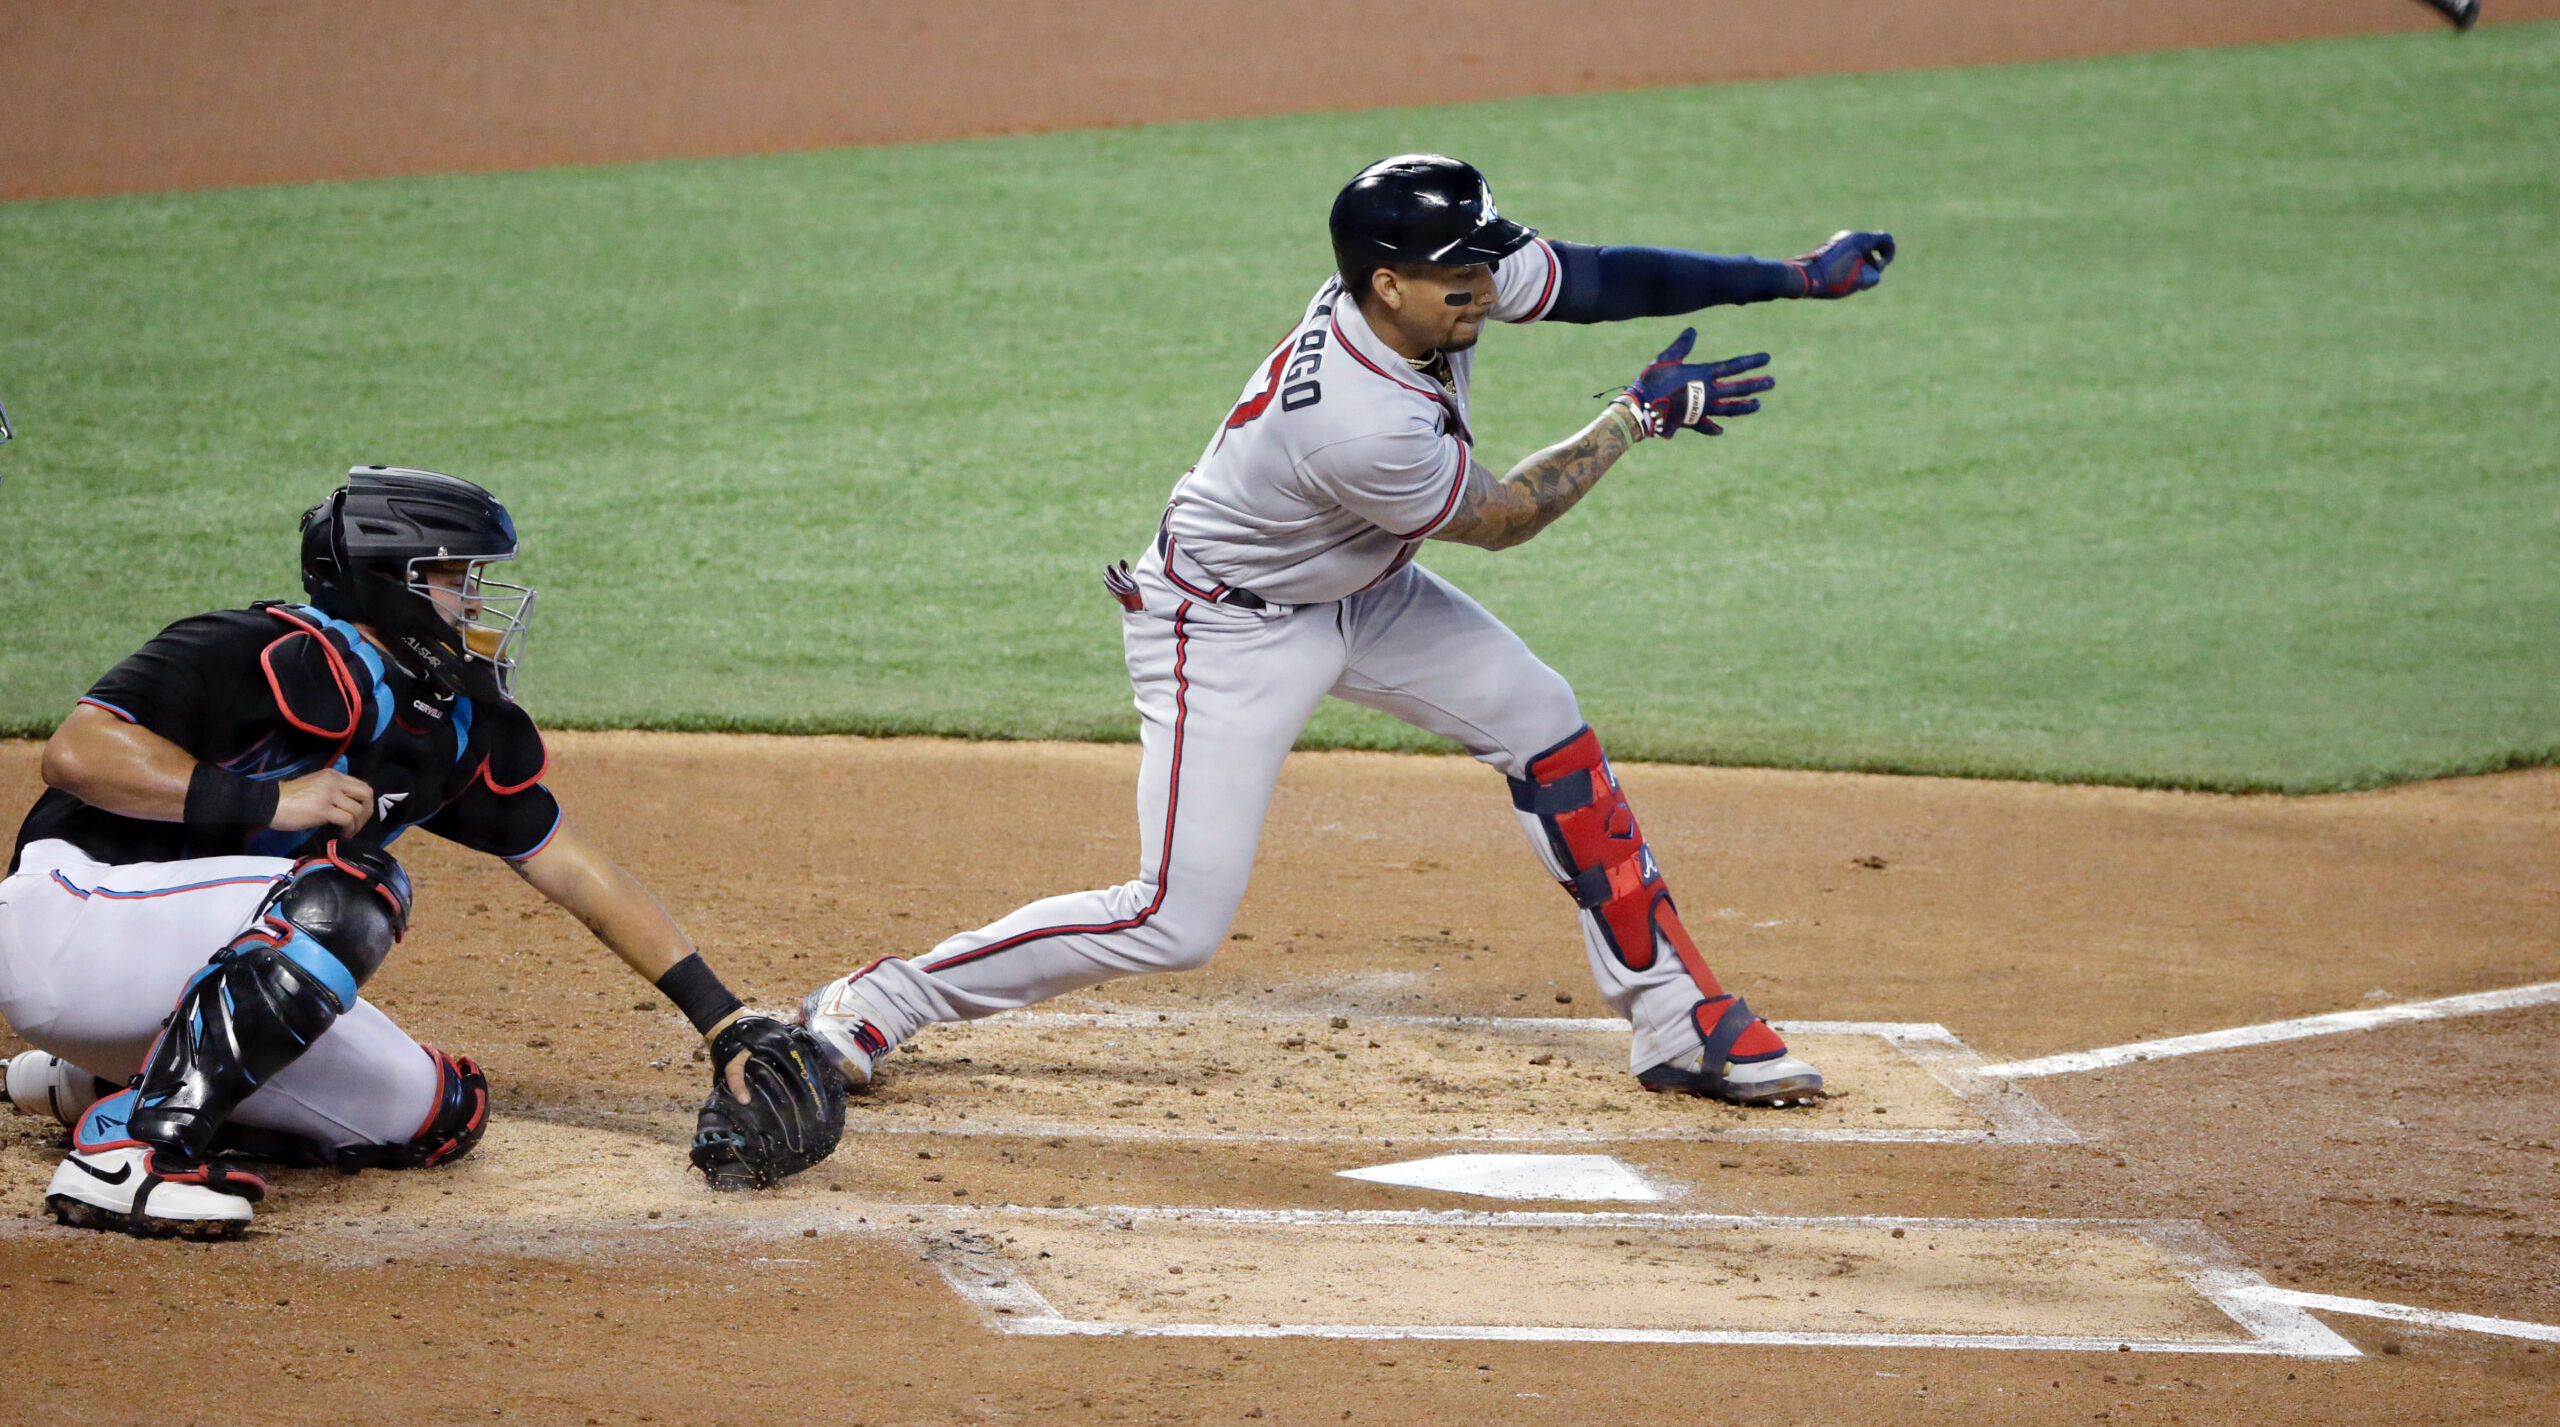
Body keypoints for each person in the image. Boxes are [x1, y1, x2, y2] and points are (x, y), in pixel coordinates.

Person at [802, 155, 1894, 1108]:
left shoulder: (1425, 281)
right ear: (1388, 282)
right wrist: (1636, 415)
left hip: (1363, 591)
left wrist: (1794, 277)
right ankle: (881, 997)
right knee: (1174, 920)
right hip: (1226, 628)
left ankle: (1676, 1017)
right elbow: (1507, 519)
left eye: (1486, 259)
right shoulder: (1357, 423)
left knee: (1542, 722)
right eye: (1462, 271)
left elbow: (1604, 278)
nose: (1487, 283)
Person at [1, 466, 839, 1239]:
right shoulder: (252, 650)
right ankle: (138, 1155)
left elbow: (575, 869)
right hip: (71, 919)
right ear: (389, 580)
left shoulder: (446, 727)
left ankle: (97, 1087)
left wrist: (723, 1018)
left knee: (440, 1114)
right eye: (456, 579)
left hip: (174, 976)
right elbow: (77, 753)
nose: (476, 604)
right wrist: (273, 800)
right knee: (350, 890)